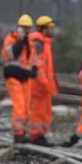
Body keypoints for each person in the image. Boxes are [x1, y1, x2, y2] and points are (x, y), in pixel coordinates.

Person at [0, 14, 33, 143]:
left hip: (24, 76)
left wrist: (32, 70)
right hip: (13, 75)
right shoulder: (10, 39)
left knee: (25, 106)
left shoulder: (28, 43)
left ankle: (23, 131)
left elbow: (28, 60)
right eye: (24, 28)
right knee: (19, 105)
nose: (26, 31)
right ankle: (18, 133)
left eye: (28, 28)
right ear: (19, 28)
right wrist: (20, 40)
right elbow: (12, 54)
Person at [26, 15, 58, 146]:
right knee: (38, 113)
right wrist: (45, 83)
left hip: (44, 88)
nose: (53, 30)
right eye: (50, 28)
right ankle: (36, 136)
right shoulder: (38, 44)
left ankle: (40, 136)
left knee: (45, 113)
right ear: (43, 29)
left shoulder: (44, 43)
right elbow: (37, 65)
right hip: (39, 87)